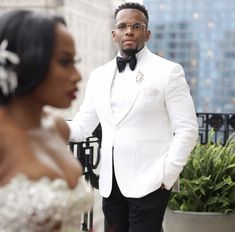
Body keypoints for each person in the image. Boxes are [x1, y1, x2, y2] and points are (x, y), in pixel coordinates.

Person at [68, 2, 198, 232]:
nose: (129, 30)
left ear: (147, 33)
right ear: (114, 34)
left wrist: (167, 175)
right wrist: (44, 125)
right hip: (110, 183)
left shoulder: (168, 71)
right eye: (123, 26)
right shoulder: (98, 76)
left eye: (136, 26)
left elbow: (187, 129)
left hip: (151, 181)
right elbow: (82, 126)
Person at [0, 10, 93, 232]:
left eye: (75, 62)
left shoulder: (58, 128)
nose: (78, 75)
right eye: (64, 62)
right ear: (28, 61)